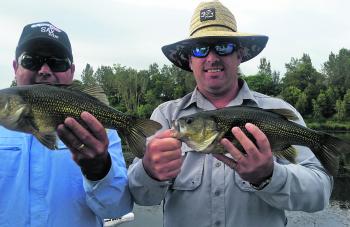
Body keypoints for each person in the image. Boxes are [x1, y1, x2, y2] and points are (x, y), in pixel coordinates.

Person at [128, 1, 333, 226]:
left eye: (223, 46)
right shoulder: (166, 116)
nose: (212, 57)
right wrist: (149, 170)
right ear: (190, 59)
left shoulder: (275, 110)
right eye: (200, 49)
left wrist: (269, 175)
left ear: (240, 55)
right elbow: (142, 197)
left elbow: (320, 194)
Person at [0, 21, 132, 227]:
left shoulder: (99, 131)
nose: (44, 70)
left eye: (57, 62)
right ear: (16, 67)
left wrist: (99, 170)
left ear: (71, 71)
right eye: (31, 60)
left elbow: (118, 209)